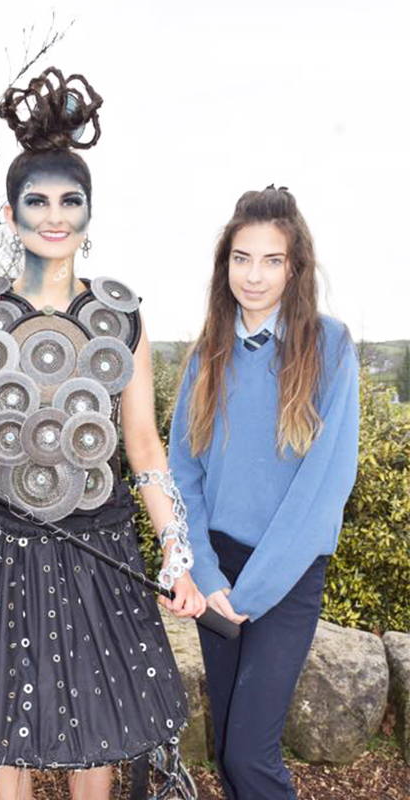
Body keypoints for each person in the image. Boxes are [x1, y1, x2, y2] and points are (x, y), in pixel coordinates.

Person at [0, 67, 206, 800]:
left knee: (94, 718)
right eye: (36, 201)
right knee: (4, 719)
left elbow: (143, 448)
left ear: (88, 215)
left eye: (69, 201)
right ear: (10, 217)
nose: (54, 215)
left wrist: (176, 552)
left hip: (99, 542)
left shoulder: (123, 318)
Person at [169, 185, 360, 800]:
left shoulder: (330, 347)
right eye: (241, 258)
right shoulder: (207, 355)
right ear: (224, 264)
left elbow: (323, 489)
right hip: (217, 568)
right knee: (227, 748)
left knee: (251, 755)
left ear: (294, 267)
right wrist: (203, 570)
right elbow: (183, 472)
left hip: (287, 575)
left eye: (271, 260)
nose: (253, 276)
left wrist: (248, 594)